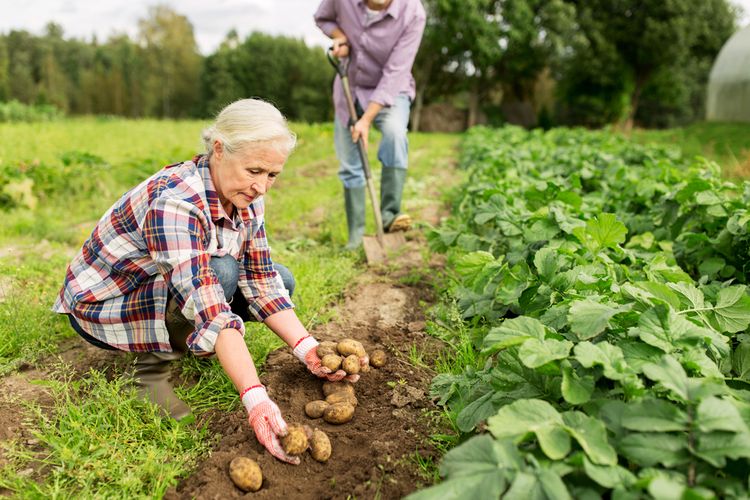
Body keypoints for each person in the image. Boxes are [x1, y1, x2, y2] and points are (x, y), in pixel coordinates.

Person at [52, 99, 363, 465]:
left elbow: (262, 280)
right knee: (223, 273)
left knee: (281, 278)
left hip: (167, 287)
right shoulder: (175, 202)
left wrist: (307, 349)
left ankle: (195, 340)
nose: (262, 187)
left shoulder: (245, 193)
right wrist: (255, 398)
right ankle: (163, 352)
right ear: (218, 149)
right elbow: (211, 305)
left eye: (272, 175)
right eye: (255, 170)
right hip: (108, 305)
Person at [314, 0, 426, 249]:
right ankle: (356, 237)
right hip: (349, 86)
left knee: (395, 134)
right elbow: (323, 18)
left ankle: (389, 215)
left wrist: (366, 120)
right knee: (350, 163)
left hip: (391, 90)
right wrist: (339, 36)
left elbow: (396, 72)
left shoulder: (413, 12)